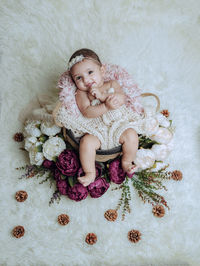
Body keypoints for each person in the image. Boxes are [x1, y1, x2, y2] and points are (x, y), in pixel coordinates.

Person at [56, 48, 141, 187]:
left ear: (102, 71)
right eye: (79, 78)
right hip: (96, 130)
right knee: (86, 143)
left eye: (90, 72)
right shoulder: (81, 94)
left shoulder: (111, 84)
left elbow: (121, 98)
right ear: (73, 81)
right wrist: (105, 106)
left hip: (118, 125)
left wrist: (104, 97)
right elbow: (87, 112)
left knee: (131, 135)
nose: (86, 80)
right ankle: (90, 172)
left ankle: (126, 161)